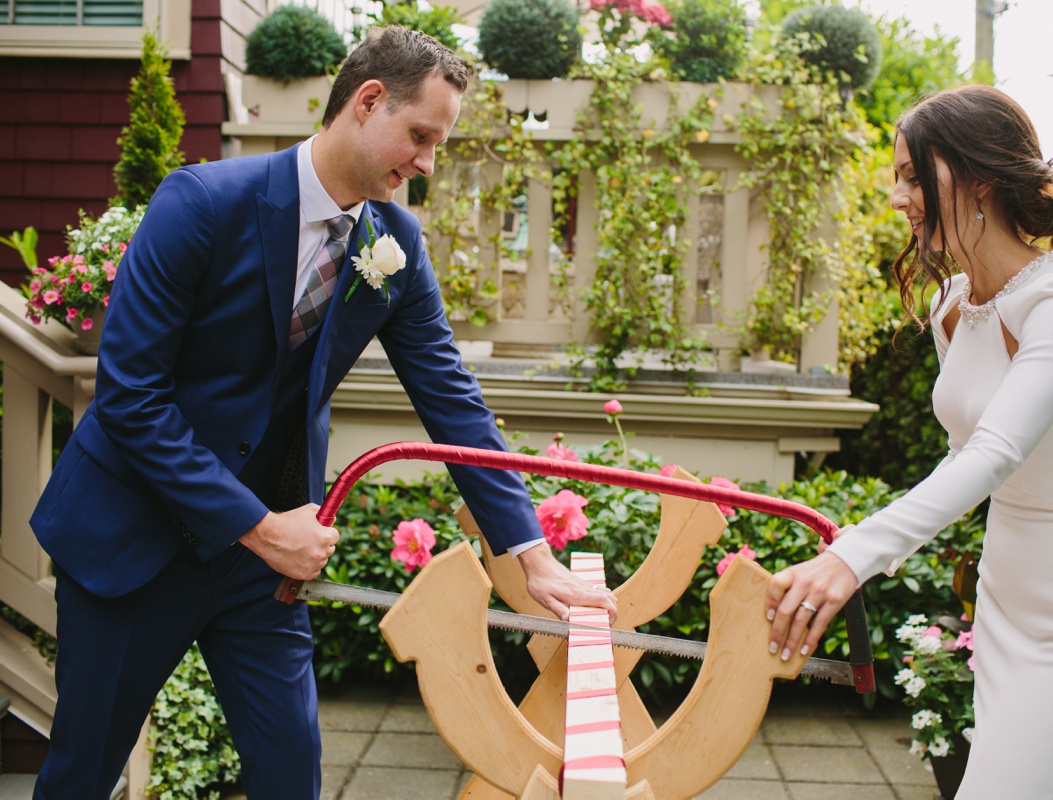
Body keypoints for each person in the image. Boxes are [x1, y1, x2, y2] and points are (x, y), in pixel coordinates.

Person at [30, 26, 616, 799]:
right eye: (420, 136)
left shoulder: (396, 245)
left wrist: (530, 552)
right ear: (367, 101)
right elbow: (131, 397)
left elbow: (453, 401)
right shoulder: (202, 203)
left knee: (291, 772)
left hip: (261, 566)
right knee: (82, 772)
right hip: (134, 540)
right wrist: (261, 525)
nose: (427, 164)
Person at [765, 84, 1053, 799]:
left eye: (916, 175)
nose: (897, 197)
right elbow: (966, 455)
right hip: (1006, 609)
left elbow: (997, 452)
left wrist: (854, 556)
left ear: (980, 178)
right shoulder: (953, 309)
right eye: (898, 177)